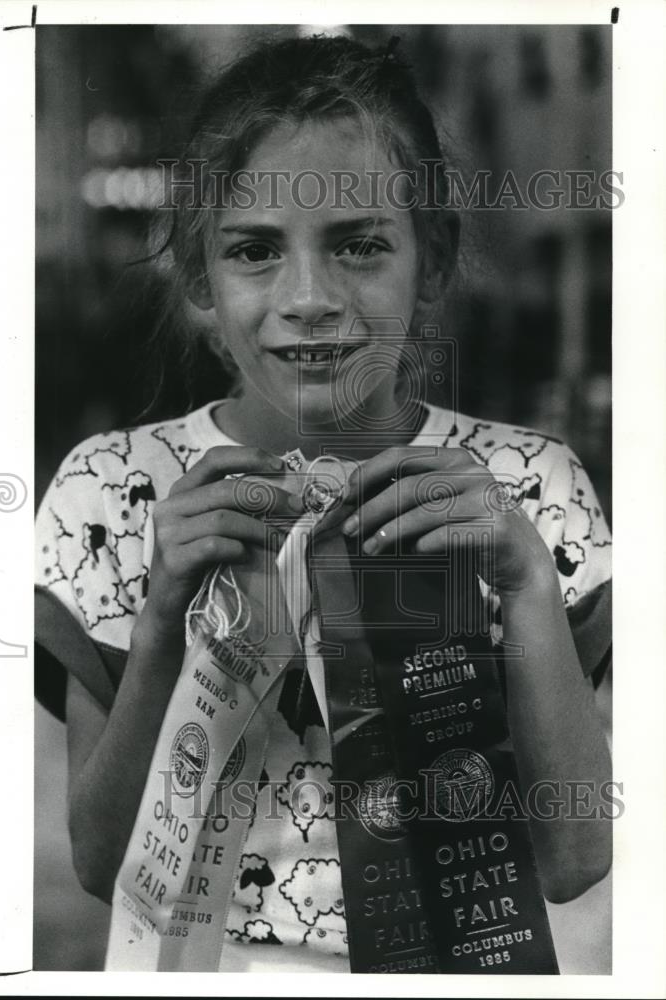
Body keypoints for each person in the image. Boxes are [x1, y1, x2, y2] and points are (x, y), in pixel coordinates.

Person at [35, 34, 612, 973]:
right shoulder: (113, 489)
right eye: (255, 251)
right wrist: (158, 630)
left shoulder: (528, 487)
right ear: (198, 286)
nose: (308, 298)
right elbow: (103, 866)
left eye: (358, 246)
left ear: (431, 265)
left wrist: (529, 589)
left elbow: (574, 858)